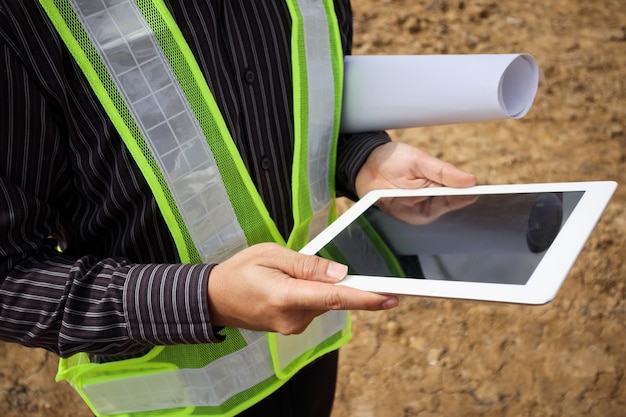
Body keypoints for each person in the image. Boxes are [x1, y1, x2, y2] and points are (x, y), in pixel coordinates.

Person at [0, 1, 476, 416]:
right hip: (176, 397)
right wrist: (203, 298)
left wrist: (361, 159)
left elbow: (307, 91)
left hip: (308, 355)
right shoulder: (24, 17)